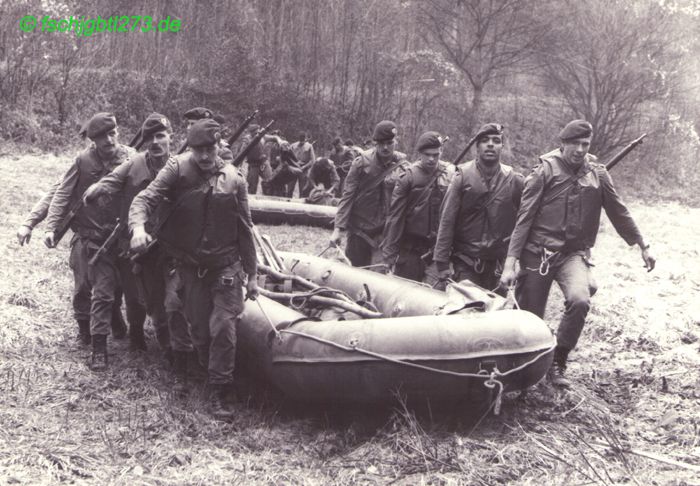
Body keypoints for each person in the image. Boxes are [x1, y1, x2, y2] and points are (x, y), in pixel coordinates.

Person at [499, 120, 656, 387]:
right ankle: (525, 370)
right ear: (563, 144)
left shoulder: (598, 174)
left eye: (586, 145)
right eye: (576, 144)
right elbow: (523, 219)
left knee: (580, 299)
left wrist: (643, 244)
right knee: (530, 316)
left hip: (572, 255)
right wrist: (510, 263)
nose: (581, 150)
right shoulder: (544, 172)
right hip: (539, 254)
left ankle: (559, 359)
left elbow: (619, 212)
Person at [130, 119, 259, 418]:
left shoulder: (235, 179)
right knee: (199, 332)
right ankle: (208, 369)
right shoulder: (176, 169)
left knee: (223, 326)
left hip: (226, 266)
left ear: (219, 147)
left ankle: (220, 390)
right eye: (198, 149)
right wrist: (137, 227)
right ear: (190, 147)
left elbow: (246, 229)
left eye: (209, 149)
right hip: (192, 268)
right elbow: (145, 198)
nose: (204, 156)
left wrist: (252, 276)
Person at [82, 114, 193, 391]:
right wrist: (96, 189)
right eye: (150, 137)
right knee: (151, 302)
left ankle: (177, 355)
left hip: (174, 248)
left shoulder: (182, 166)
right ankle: (146, 337)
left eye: (160, 136)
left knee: (174, 301)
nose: (155, 142)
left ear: (171, 137)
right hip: (142, 248)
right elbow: (112, 180)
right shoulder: (135, 164)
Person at [43, 112, 134, 370]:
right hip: (92, 238)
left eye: (112, 133)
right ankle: (96, 343)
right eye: (101, 137)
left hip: (121, 237)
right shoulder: (83, 161)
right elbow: (62, 193)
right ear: (92, 140)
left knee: (120, 289)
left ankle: (116, 320)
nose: (109, 140)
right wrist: (51, 227)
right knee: (92, 289)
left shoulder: (132, 157)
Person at [16, 175, 128, 344]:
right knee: (83, 285)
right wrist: (29, 223)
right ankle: (84, 329)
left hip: (116, 238)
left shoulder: (127, 160)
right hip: (86, 237)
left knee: (114, 284)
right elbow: (56, 195)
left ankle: (113, 312)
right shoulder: (82, 165)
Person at [433, 124, 524, 293]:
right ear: (477, 146)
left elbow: (523, 223)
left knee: (494, 316)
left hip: (498, 267)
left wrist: (515, 262)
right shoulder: (462, 176)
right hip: (466, 264)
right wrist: (442, 263)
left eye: (496, 141)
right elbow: (447, 221)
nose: (490, 144)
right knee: (466, 314)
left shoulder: (514, 180)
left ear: (502, 146)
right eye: (485, 141)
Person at [330, 120, 408, 269]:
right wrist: (337, 229)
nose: (385, 147)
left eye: (389, 142)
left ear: (396, 142)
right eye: (381, 143)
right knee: (354, 274)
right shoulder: (360, 163)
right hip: (359, 231)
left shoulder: (404, 167)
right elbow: (347, 197)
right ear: (375, 143)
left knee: (377, 279)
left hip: (384, 234)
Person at [382, 131, 455, 284]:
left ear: (441, 151)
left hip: (438, 251)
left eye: (436, 154)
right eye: (427, 154)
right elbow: (395, 217)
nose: (431, 159)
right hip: (410, 250)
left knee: (434, 299)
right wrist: (389, 256)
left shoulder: (451, 175)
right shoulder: (408, 177)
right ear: (420, 153)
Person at [239, 124, 267, 194]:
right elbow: (241, 153)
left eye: (258, 132)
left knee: (269, 180)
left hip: (264, 163)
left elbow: (274, 137)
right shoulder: (247, 139)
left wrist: (280, 141)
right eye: (255, 133)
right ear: (251, 132)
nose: (257, 134)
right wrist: (239, 166)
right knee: (252, 185)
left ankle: (268, 196)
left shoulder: (263, 137)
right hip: (253, 164)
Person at [290, 132, 316, 198]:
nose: (301, 141)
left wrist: (304, 167)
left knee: (303, 190)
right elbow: (288, 156)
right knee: (290, 189)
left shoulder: (309, 146)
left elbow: (312, 160)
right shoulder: (293, 145)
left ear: (305, 139)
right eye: (300, 139)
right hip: (293, 168)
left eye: (303, 139)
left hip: (303, 170)